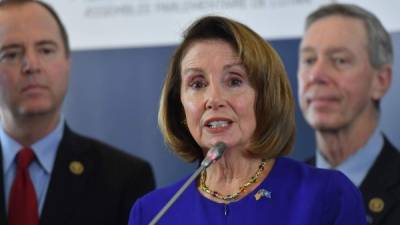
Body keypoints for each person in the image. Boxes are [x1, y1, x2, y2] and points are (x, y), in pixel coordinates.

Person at [128, 15, 366, 225]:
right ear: (179, 105)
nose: (213, 99)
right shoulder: (152, 213)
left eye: (234, 81)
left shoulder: (326, 196)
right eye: (197, 84)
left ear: (265, 97)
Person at [0, 1, 155, 225]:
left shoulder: (125, 178)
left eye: (45, 50)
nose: (31, 65)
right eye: (11, 54)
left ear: (67, 62)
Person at [297, 3, 400, 225]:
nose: (316, 74)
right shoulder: (280, 188)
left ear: (381, 80)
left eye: (340, 60)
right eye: (309, 60)